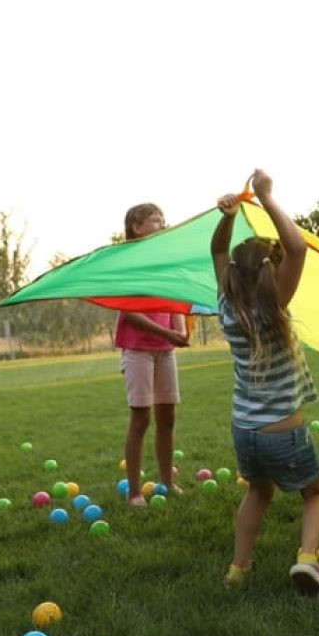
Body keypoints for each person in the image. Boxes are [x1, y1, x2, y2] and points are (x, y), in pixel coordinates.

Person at [212, 169, 319, 596]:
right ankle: (307, 560)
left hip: (244, 431)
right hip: (284, 431)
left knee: (257, 494)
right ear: (270, 273)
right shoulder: (274, 306)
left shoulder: (226, 308)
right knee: (315, 493)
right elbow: (298, 248)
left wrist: (227, 216)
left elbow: (217, 249)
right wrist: (266, 197)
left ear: (232, 277)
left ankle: (237, 570)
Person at [116, 203, 190, 507]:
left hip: (165, 350)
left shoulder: (165, 262)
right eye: (155, 220)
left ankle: (166, 482)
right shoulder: (128, 262)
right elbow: (128, 311)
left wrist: (180, 330)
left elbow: (175, 301)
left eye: (162, 219)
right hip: (138, 350)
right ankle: (134, 491)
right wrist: (168, 334)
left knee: (167, 417)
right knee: (141, 419)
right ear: (137, 226)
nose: (162, 223)